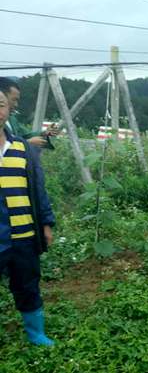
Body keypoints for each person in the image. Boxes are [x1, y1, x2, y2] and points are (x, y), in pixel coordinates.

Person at [0, 89, 56, 346]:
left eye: (1, 104)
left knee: (27, 285)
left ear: (8, 110)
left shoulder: (22, 149)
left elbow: (38, 190)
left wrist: (45, 224)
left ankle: (36, 334)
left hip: (23, 235)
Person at [0, 78, 57, 149]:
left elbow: (25, 134)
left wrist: (44, 133)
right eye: (14, 100)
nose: (16, 104)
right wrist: (27, 143)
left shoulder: (11, 118)